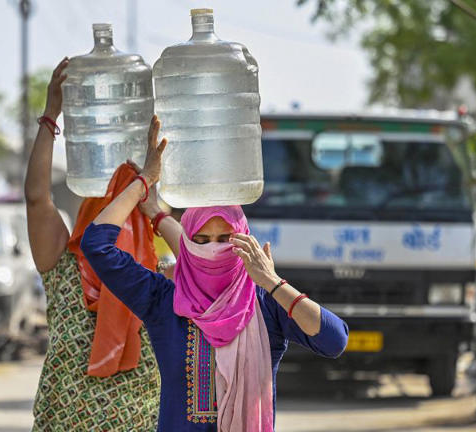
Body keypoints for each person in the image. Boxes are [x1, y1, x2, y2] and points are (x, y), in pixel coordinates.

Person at [80, 116, 349, 431]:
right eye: (201, 241)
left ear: (243, 240)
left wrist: (273, 283)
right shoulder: (164, 300)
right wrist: (144, 183)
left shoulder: (264, 304)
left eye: (225, 240)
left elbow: (334, 340)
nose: (212, 251)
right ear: (188, 245)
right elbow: (96, 244)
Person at [26, 57, 169, 431]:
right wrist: (50, 116)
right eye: (111, 207)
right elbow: (37, 197)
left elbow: (212, 251)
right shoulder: (63, 266)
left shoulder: (160, 284)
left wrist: (153, 201)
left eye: (125, 210)